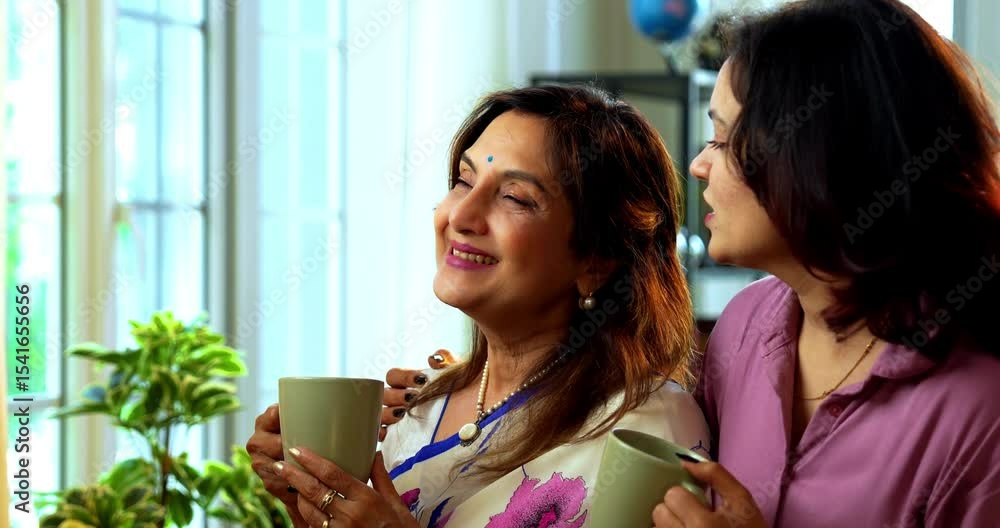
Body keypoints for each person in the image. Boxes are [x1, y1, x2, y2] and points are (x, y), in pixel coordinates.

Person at [385, 1, 1000, 526]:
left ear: (825, 161)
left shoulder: (977, 412)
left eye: (724, 141)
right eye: (461, 181)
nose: (700, 165)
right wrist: (456, 400)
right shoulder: (747, 325)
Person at [247, 84, 711, 527]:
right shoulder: (416, 410)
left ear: (597, 260)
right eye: (464, 181)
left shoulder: (645, 430)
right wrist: (308, 498)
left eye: (514, 197)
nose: (461, 217)